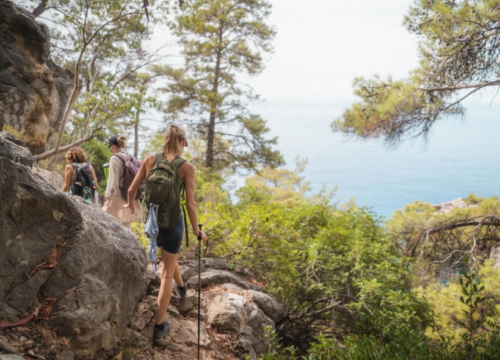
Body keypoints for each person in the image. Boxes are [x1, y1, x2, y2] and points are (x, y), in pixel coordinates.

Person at [124, 125, 207, 345]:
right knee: (165, 274)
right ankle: (159, 327)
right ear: (184, 142)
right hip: (172, 224)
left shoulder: (150, 158)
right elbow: (189, 204)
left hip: (152, 221)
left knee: (169, 258)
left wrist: (131, 205)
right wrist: (197, 230)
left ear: (165, 140)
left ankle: (181, 288)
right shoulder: (186, 167)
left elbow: (133, 189)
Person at [104, 135, 142, 228]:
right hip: (129, 197)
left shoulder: (115, 158)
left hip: (117, 198)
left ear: (112, 145)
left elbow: (113, 182)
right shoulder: (131, 157)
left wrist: (108, 199)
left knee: (112, 227)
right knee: (126, 227)